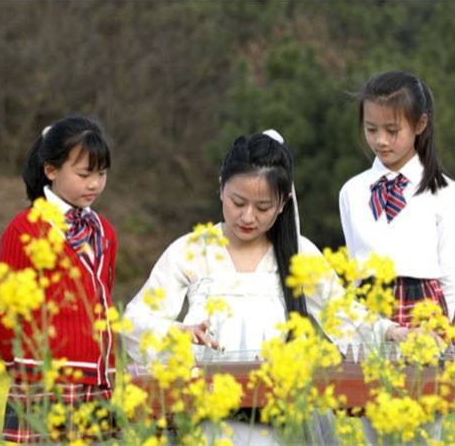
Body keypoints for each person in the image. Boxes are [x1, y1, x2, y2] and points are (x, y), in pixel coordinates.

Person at [123, 130, 404, 445]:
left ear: (283, 204)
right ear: (220, 188)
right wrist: (178, 332)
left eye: (263, 207)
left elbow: (344, 315)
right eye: (238, 202)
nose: (247, 217)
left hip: (281, 420)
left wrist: (392, 333)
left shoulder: (298, 253)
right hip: (208, 418)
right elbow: (134, 321)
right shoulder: (191, 250)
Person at [339, 71, 455, 444]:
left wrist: (437, 333)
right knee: (374, 429)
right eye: (371, 129)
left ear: (420, 125)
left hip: (424, 315)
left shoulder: (446, 193)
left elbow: (450, 278)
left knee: (423, 431)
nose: (380, 140)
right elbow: (355, 271)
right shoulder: (352, 192)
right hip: (371, 318)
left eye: (392, 130)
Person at [0, 115, 118, 443]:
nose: (94, 184)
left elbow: (101, 303)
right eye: (84, 174)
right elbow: (2, 307)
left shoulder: (105, 232)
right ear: (51, 170)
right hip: (43, 381)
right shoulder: (26, 228)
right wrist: (19, 367)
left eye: (101, 174)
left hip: (98, 381)